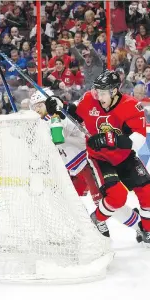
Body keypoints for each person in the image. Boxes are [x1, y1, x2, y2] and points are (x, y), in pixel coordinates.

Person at [45, 70, 150, 246]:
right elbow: (73, 113)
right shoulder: (89, 99)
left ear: (114, 91)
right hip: (100, 159)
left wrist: (110, 139)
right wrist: (60, 106)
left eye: (102, 92)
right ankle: (97, 219)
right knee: (117, 197)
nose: (97, 95)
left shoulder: (131, 106)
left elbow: (138, 139)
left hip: (125, 157)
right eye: (97, 91)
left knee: (147, 193)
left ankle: (146, 230)